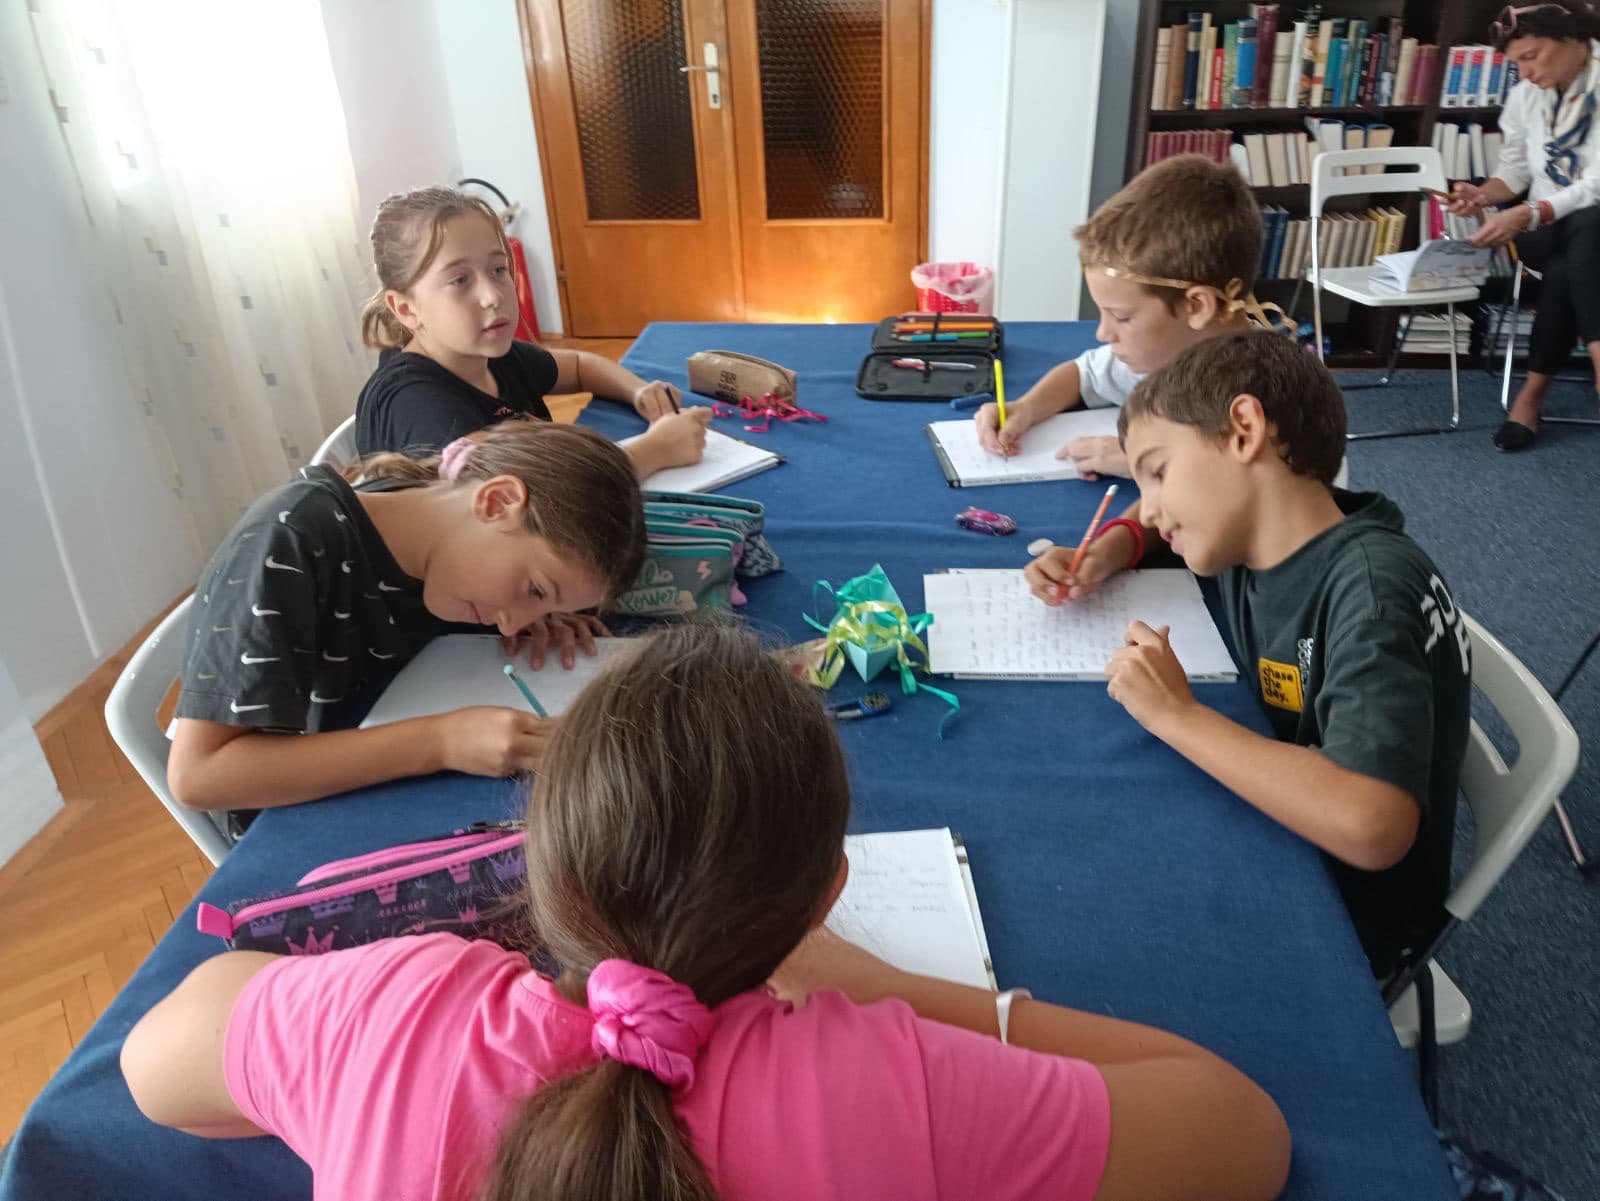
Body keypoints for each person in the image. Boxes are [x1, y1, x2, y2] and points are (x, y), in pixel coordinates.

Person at [124, 626, 1292, 1201]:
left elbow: (156, 1069)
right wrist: (906, 992)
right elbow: (1243, 1131)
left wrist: (355, 1035)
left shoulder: (397, 1012)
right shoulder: (884, 1083)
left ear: (540, 864)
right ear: (824, 898)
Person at [1027, 334, 1471, 984]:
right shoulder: (1258, 533)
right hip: (1281, 826)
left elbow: (1371, 825)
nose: (1150, 506)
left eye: (1157, 471)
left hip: (1342, 919)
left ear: (1243, 431)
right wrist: (1109, 549)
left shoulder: (1372, 593)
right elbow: (1155, 523)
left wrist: (1178, 716)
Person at [165, 421, 645, 813]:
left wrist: (540, 610)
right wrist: (443, 741)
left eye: (547, 607)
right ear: (496, 502)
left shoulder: (443, 544)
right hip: (301, 820)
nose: (510, 626)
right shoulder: (291, 540)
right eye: (535, 589)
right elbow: (198, 776)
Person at [354, 185, 712, 475]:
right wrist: (656, 449)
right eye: (459, 280)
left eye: (497, 269)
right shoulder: (417, 406)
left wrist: (639, 392)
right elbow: (532, 503)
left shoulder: (485, 354)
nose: (493, 296)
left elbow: (578, 366)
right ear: (406, 309)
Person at [973, 155, 1265, 480]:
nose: (1102, 333)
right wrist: (1026, 408)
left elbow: (1243, 481)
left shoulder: (1267, 397)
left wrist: (1142, 460)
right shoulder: (1168, 354)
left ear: (1196, 307)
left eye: (1121, 317)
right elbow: (1083, 376)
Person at [1450, 1, 1600, 451]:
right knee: (1582, 237)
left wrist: (1529, 213)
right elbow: (1514, 172)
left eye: (1532, 56)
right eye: (1517, 63)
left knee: (1577, 248)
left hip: (1579, 231)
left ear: (1573, 37)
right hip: (1547, 233)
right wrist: (1482, 195)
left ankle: (1530, 398)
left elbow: (1596, 185)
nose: (1526, 72)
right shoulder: (1524, 97)